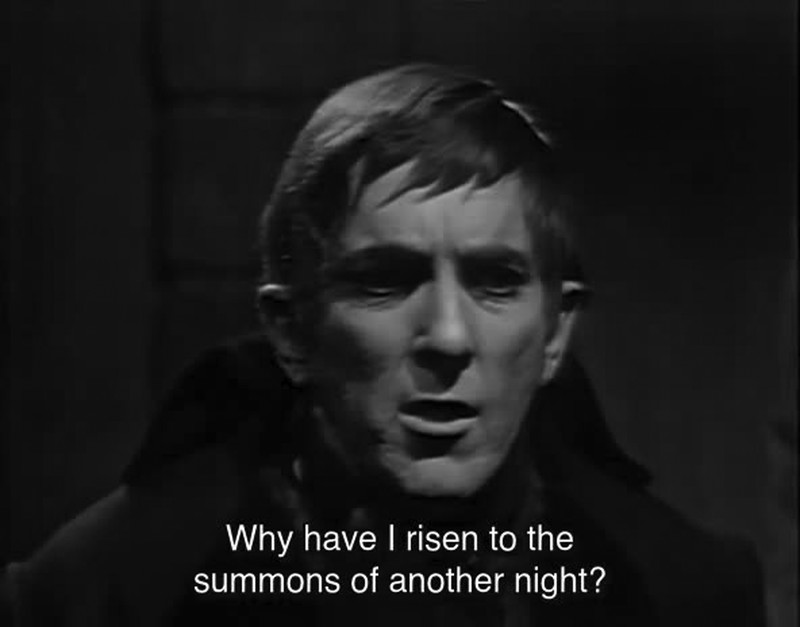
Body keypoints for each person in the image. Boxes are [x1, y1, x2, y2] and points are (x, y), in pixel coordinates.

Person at [1, 64, 764, 626]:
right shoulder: (100, 595)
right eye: (384, 282)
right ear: (291, 330)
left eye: (495, 281)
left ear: (557, 330)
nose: (449, 337)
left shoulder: (681, 592)